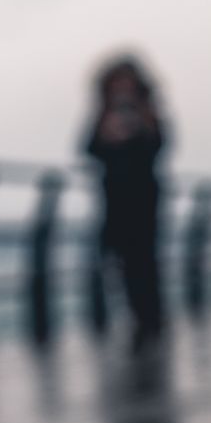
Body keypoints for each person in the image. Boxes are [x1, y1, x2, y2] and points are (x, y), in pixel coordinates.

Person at [84, 54, 168, 341]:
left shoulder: (148, 111)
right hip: (114, 199)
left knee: (143, 258)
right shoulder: (103, 114)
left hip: (144, 197)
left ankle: (150, 320)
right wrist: (109, 134)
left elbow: (161, 145)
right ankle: (140, 317)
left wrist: (140, 128)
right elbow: (88, 148)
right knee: (120, 259)